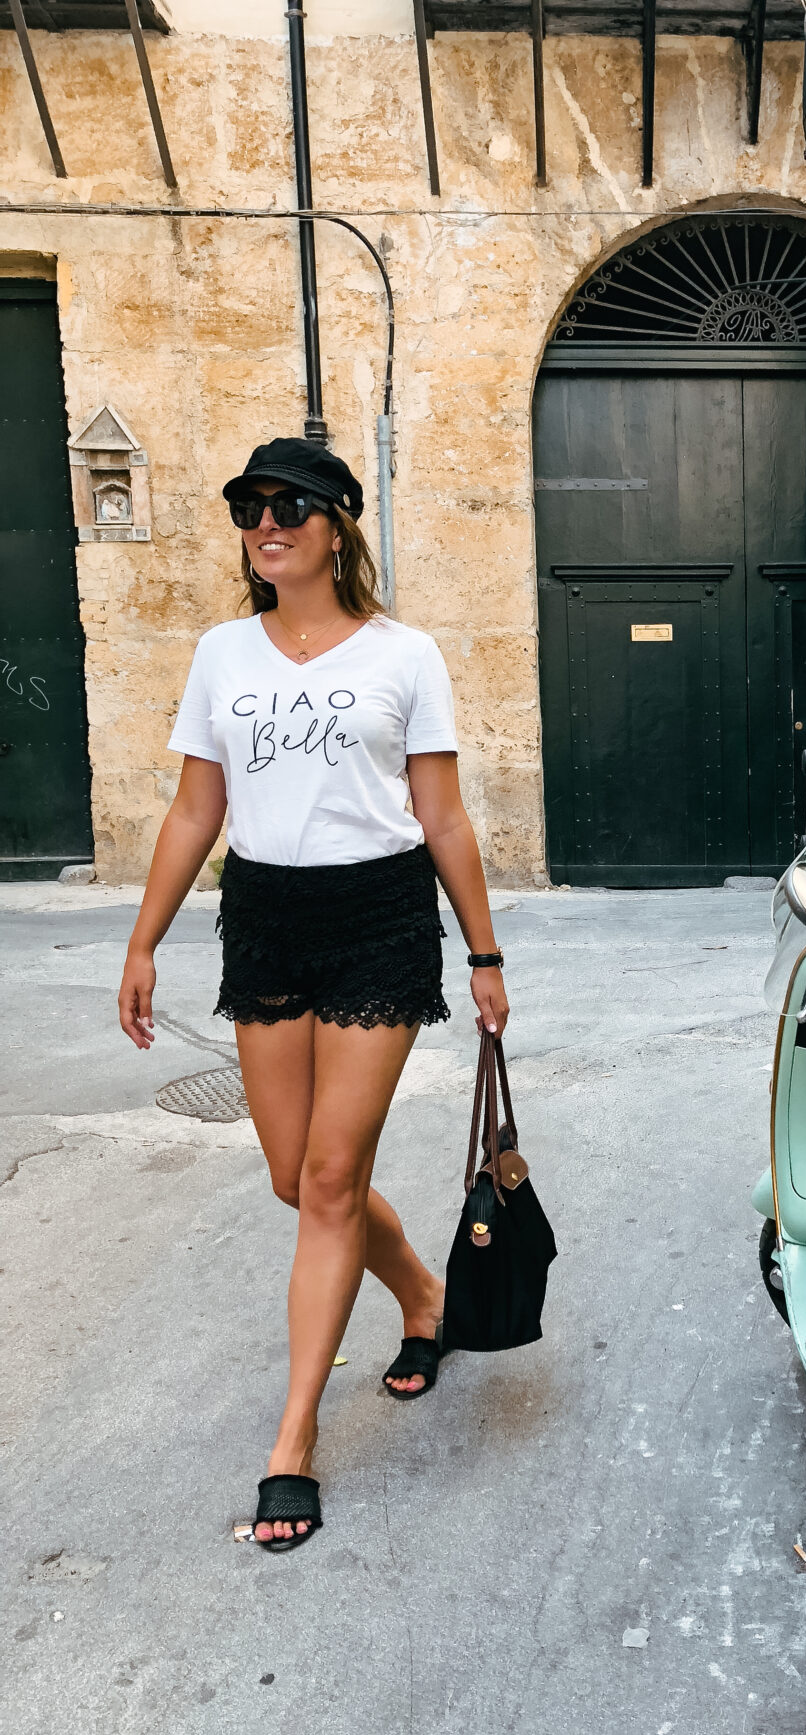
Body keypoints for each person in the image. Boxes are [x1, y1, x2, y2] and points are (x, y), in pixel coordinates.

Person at [117, 438, 508, 1552]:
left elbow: (442, 817)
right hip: (267, 919)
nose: (265, 523)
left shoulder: (405, 655)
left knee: (335, 1175)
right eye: (248, 507)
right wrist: (142, 942)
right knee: (296, 1179)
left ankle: (292, 1441)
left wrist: (483, 956)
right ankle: (425, 1300)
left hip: (378, 919)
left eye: (288, 504)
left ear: (339, 524)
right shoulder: (221, 655)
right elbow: (197, 811)